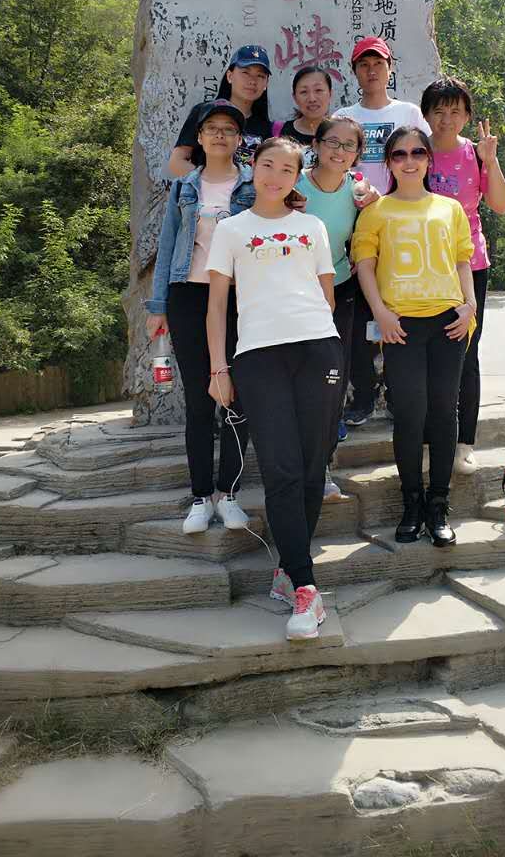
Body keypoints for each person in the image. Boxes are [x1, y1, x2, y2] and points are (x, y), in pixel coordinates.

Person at [206, 137, 344, 642]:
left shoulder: (312, 227)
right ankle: (307, 588)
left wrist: (312, 334)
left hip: (318, 349)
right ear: (253, 166)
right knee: (281, 469)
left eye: (287, 169)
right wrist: (219, 368)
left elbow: (327, 295)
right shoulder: (231, 229)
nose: (276, 176)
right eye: (268, 165)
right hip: (258, 357)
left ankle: (290, 571)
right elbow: (216, 306)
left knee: (311, 468)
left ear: (297, 176)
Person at [351, 127, 476, 547]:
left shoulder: (449, 208)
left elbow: (462, 261)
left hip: (448, 323)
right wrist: (381, 313)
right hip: (400, 325)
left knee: (443, 412)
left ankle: (439, 505)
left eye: (418, 152)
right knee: (409, 414)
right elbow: (365, 265)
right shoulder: (376, 211)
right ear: (389, 162)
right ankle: (412, 504)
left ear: (428, 159)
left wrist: (470, 305)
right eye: (400, 154)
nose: (409, 160)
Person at [145, 101, 254, 535]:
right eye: (212, 129)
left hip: (240, 298)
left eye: (229, 129)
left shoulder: (253, 184)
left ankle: (229, 494)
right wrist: (158, 307)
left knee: (237, 397)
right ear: (201, 138)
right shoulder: (184, 187)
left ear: (239, 139)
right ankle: (200, 496)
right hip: (188, 296)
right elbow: (168, 246)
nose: (220, 135)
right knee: (198, 399)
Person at [333, 36, 430, 426]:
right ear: (354, 71)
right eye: (363, 64)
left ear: (390, 68)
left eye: (378, 63)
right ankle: (363, 393)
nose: (371, 70)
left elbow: (426, 162)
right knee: (358, 318)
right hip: (352, 226)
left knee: (400, 310)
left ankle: (396, 390)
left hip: (400, 224)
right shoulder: (344, 116)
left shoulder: (408, 112)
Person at [422, 77, 505, 474]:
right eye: (438, 111)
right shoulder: (415, 150)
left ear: (467, 116)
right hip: (422, 266)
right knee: (427, 352)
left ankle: (464, 443)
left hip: (469, 263)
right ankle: (430, 440)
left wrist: (490, 161)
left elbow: (501, 205)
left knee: (467, 352)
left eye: (455, 111)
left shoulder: (475, 154)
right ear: (426, 115)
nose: (446, 119)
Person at [294, 116, 369, 497]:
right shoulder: (294, 184)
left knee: (332, 382)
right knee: (296, 380)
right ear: (316, 145)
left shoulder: (358, 192)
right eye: (332, 142)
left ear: (357, 154)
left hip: (339, 292)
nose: (339, 151)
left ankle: (322, 466)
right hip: (293, 296)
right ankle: (293, 465)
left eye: (348, 145)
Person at [169, 45, 272, 178]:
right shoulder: (204, 112)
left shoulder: (266, 127)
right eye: (245, 72)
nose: (252, 81)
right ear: (230, 76)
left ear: (266, 83)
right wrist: (211, 183)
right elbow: (177, 162)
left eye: (260, 76)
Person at [272, 65, 335, 167]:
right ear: (295, 97)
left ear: (330, 93)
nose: (312, 99)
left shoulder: (340, 133)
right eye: (304, 92)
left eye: (318, 90)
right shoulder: (279, 132)